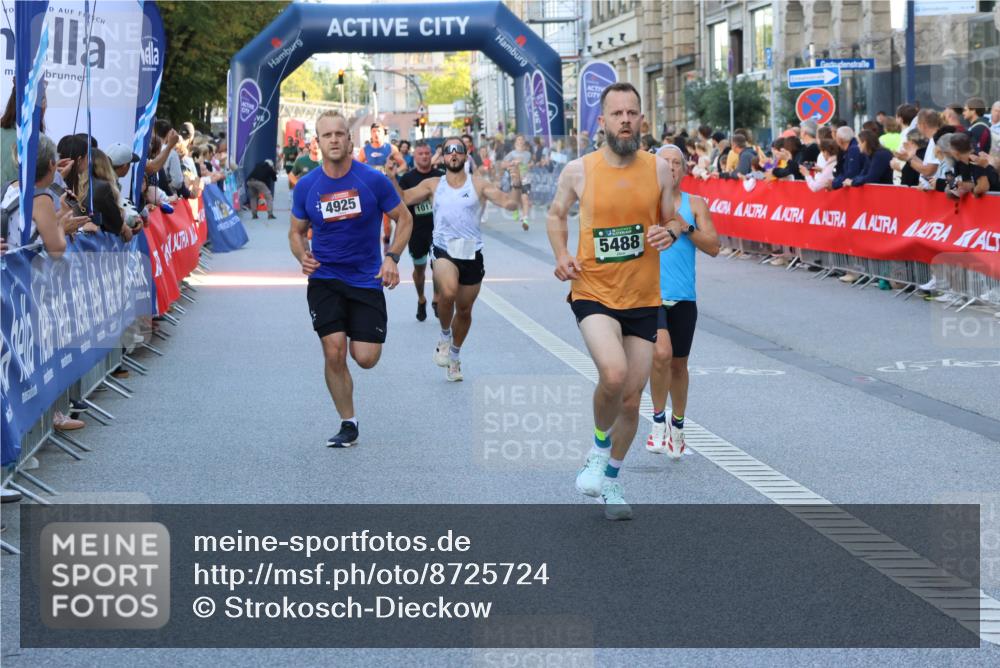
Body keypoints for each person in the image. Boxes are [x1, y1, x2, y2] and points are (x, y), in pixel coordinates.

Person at [546, 82, 677, 521]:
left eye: (632, 113)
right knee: (614, 373)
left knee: (631, 398)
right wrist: (562, 255)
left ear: (642, 119)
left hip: (643, 295)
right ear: (601, 121)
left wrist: (669, 231)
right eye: (617, 113)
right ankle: (598, 452)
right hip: (594, 290)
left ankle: (612, 482)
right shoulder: (579, 171)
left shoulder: (659, 169)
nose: (625, 120)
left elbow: (673, 216)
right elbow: (556, 214)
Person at [287, 111, 413, 448]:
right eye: (326, 135)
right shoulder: (307, 186)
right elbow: (296, 233)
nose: (333, 140)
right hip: (325, 278)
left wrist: (392, 258)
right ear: (318, 142)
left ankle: (351, 405)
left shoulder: (372, 181)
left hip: (365, 279)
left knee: (366, 358)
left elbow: (405, 218)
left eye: (339, 134)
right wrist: (303, 255)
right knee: (334, 351)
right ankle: (348, 422)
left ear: (349, 139)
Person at [388, 137, 523, 381]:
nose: (453, 154)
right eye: (448, 150)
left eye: (458, 150)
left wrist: (516, 179)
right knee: (447, 293)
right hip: (443, 248)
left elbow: (511, 204)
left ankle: (455, 357)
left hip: (471, 252)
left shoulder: (478, 184)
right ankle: (444, 335)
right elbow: (404, 198)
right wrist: (391, 177)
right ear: (444, 155)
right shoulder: (433, 184)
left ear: (465, 154)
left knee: (464, 310)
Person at [646, 145, 719, 458]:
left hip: (684, 297)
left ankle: (678, 424)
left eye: (677, 163)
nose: (672, 167)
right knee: (660, 354)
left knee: (679, 365)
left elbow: (714, 247)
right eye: (666, 162)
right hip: (651, 296)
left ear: (684, 169)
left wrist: (686, 227)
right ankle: (658, 420)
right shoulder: (645, 203)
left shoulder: (696, 203)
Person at [397, 140, 443, 321]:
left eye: (427, 153)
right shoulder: (408, 179)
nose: (424, 156)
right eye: (420, 154)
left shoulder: (440, 175)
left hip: (438, 231)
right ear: (414, 157)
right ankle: (422, 298)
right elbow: (402, 201)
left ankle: (437, 299)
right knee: (420, 270)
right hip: (416, 231)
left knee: (439, 268)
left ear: (431, 155)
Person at [506, 135, 533, 230]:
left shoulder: (528, 154)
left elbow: (528, 163)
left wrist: (527, 164)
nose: (521, 141)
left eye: (522, 139)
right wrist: (511, 164)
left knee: (525, 198)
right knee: (516, 199)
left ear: (524, 142)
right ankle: (516, 209)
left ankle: (525, 219)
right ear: (515, 143)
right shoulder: (511, 154)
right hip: (515, 178)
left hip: (525, 178)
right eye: (519, 139)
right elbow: (504, 163)